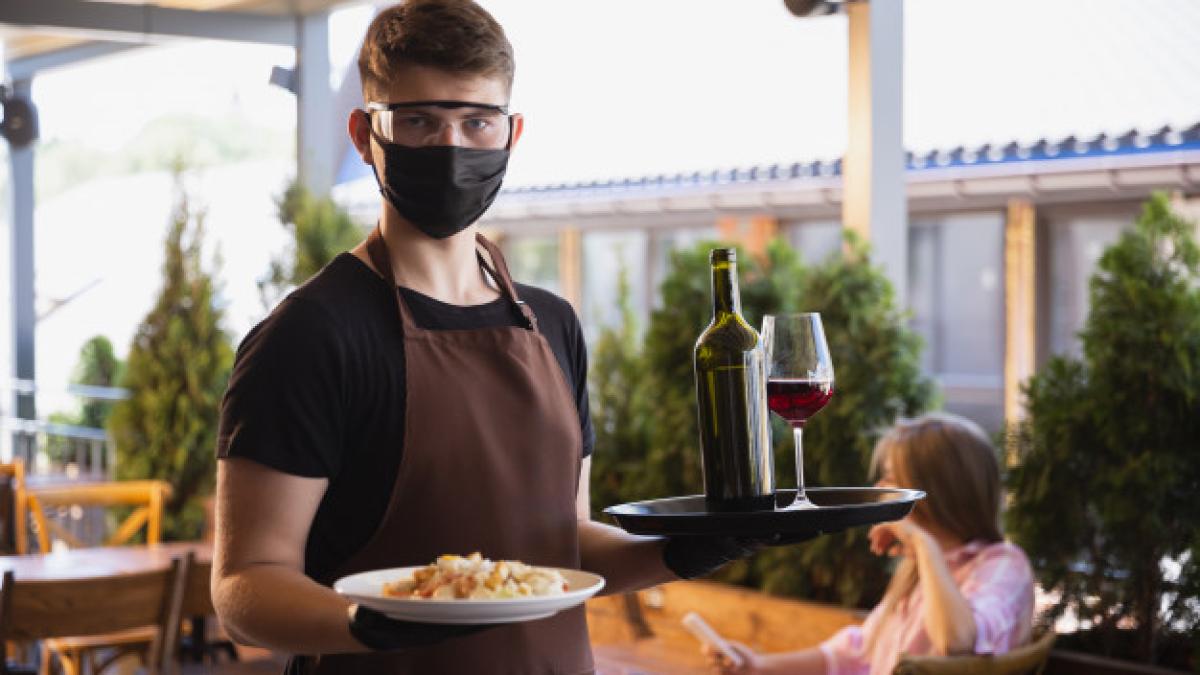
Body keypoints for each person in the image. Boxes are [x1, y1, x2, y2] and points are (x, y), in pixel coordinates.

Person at [211, 2, 781, 673]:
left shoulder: (553, 325)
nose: (451, 146)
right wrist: (371, 622)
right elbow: (246, 583)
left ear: (511, 134)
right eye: (420, 121)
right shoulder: (310, 335)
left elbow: (559, 543)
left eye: (477, 122)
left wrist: (683, 550)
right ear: (366, 134)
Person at [705, 412, 1035, 675]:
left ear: (939, 489)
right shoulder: (918, 572)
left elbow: (957, 641)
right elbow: (857, 651)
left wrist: (923, 543)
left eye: (892, 477)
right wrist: (758, 666)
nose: (880, 486)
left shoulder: (1003, 564)